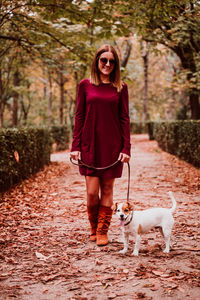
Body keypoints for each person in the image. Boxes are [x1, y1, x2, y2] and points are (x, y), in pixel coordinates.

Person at [70, 44, 131, 246]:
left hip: (112, 146)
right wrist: (75, 145)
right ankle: (93, 226)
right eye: (103, 60)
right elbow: (79, 115)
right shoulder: (85, 85)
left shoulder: (120, 88)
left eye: (111, 61)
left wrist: (126, 148)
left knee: (107, 189)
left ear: (116, 64)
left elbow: (124, 119)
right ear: (97, 62)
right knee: (90, 192)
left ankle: (103, 231)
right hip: (89, 144)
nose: (107, 64)